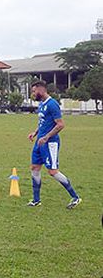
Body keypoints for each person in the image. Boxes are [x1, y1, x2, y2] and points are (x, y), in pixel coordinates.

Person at [27, 80, 81, 209]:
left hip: (50, 143)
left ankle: (75, 197)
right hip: (39, 142)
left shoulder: (52, 104)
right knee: (35, 168)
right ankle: (36, 200)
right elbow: (43, 122)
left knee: (52, 171)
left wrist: (46, 137)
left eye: (34, 91)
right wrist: (35, 133)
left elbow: (60, 124)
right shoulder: (41, 104)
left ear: (41, 90)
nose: (33, 94)